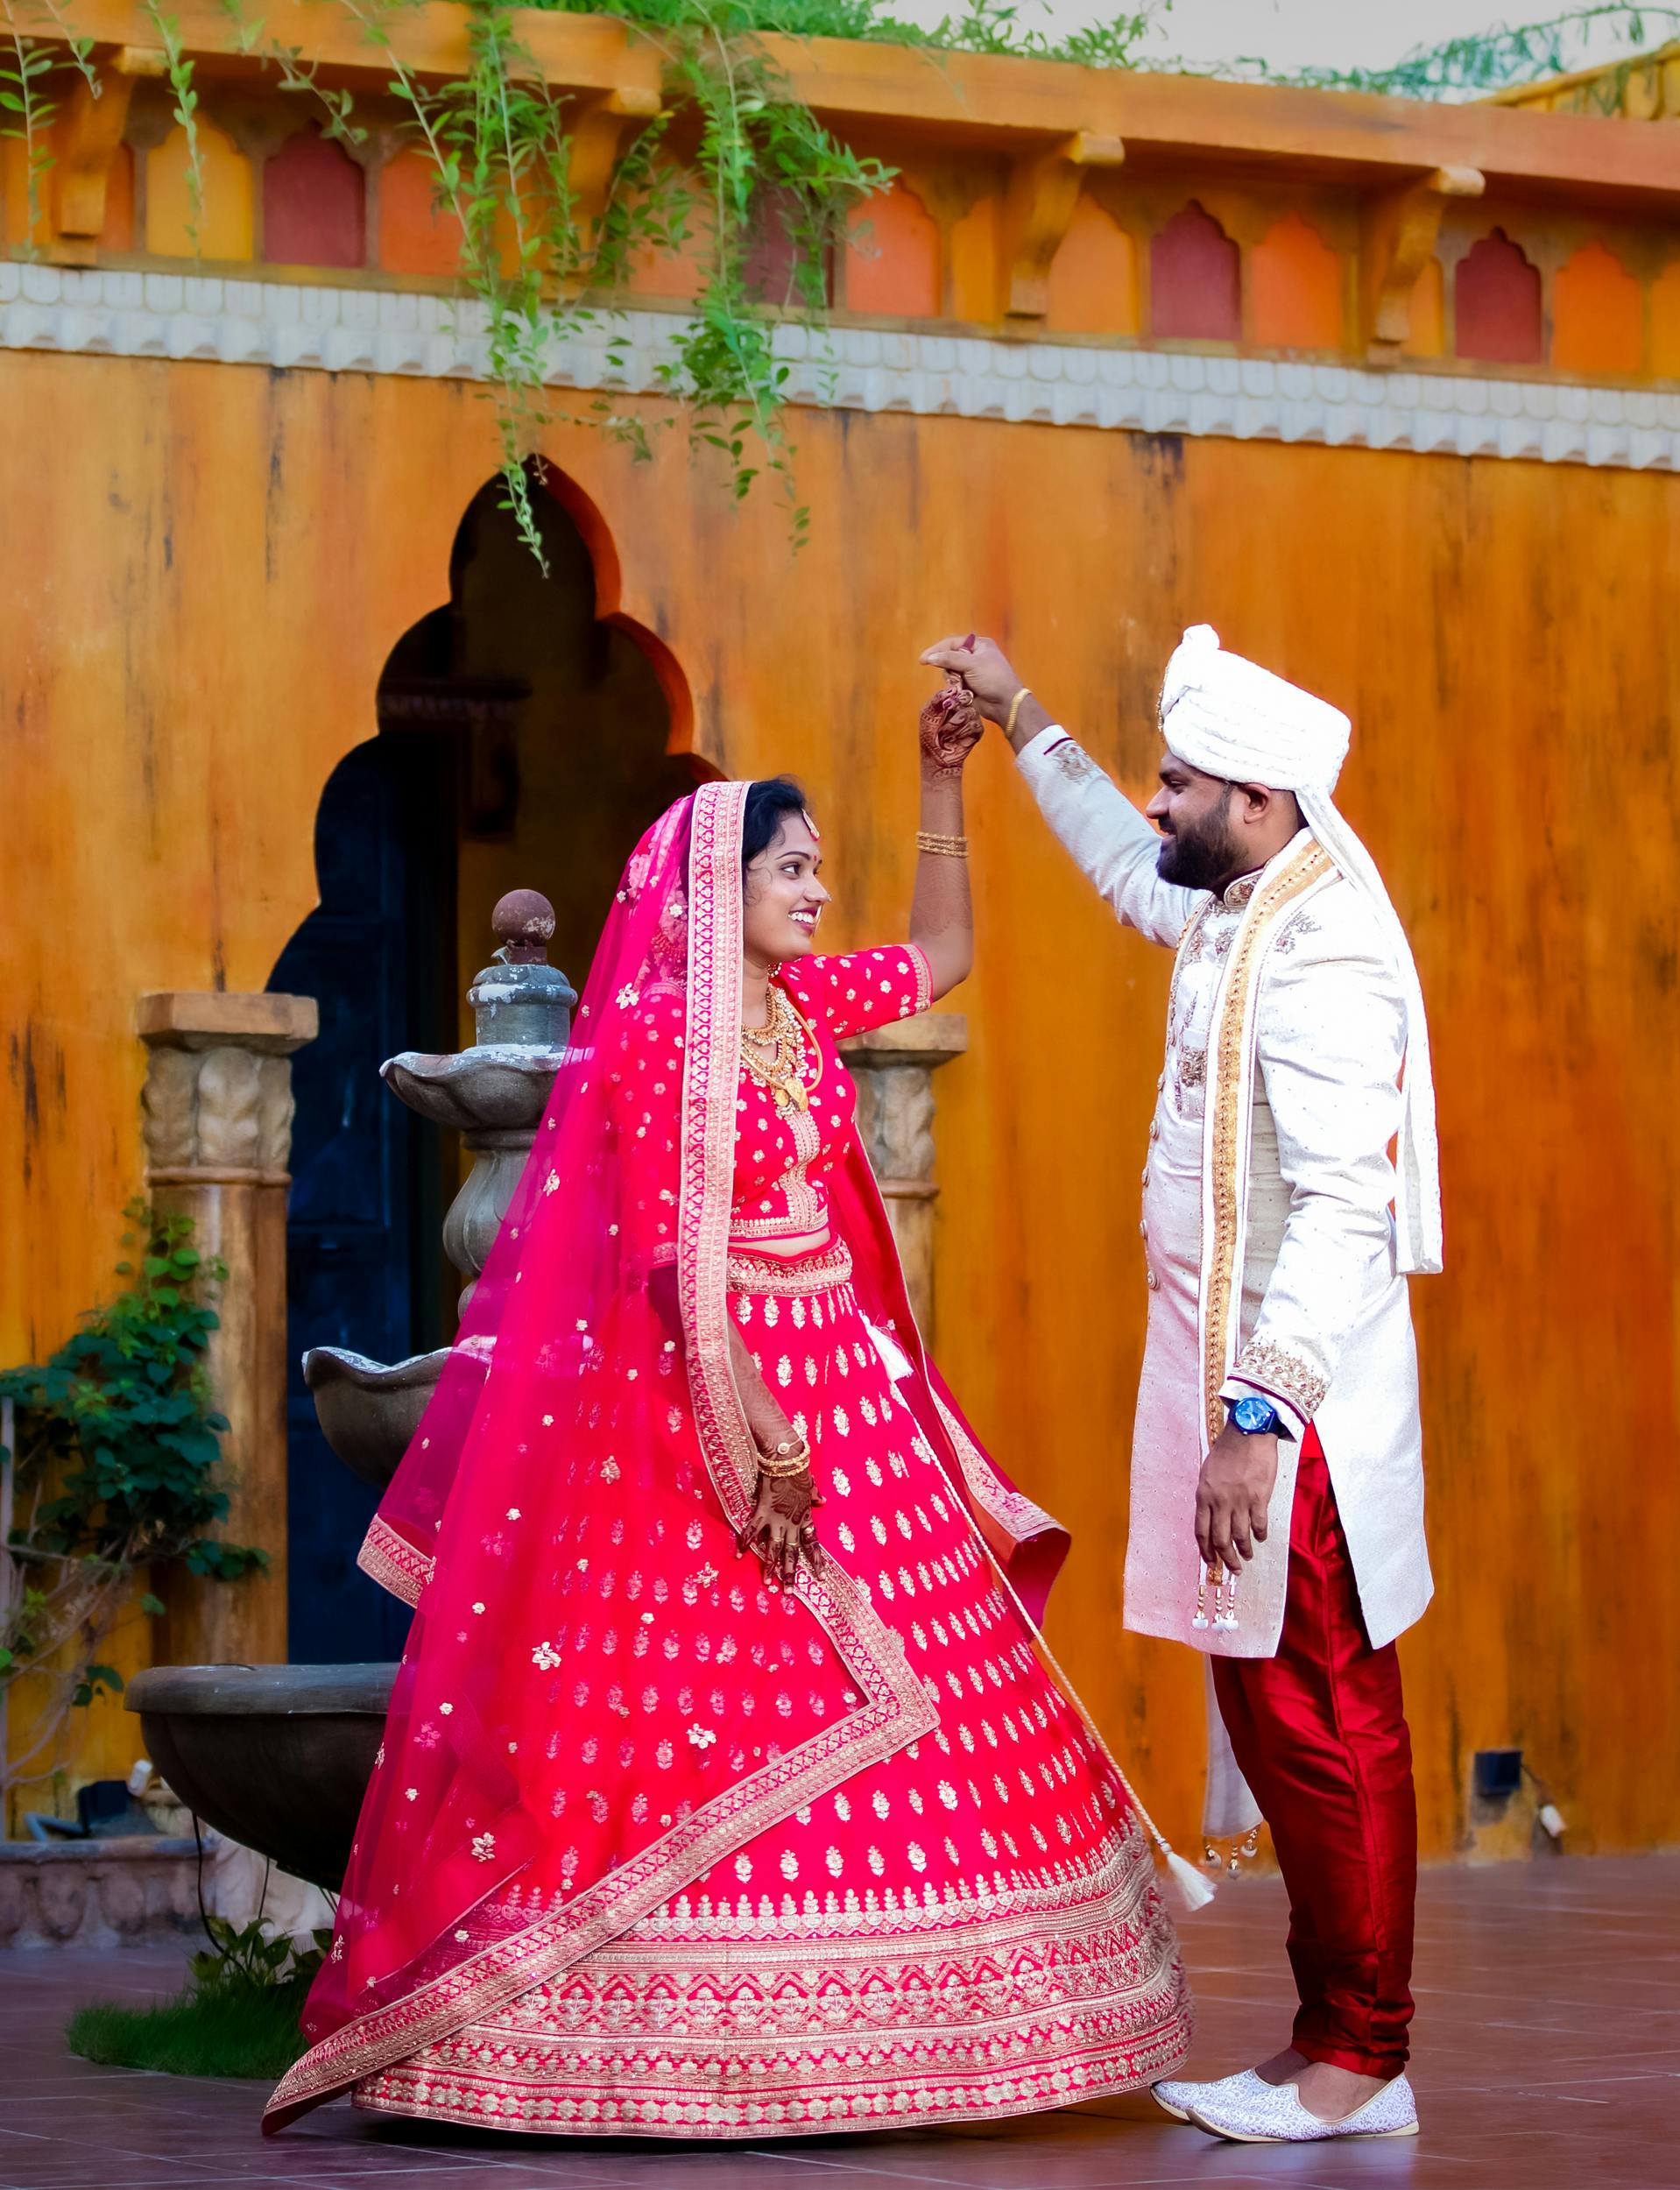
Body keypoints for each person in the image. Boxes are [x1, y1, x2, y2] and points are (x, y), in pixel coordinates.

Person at [264, 692, 1197, 2139]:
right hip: (703, 1395)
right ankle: (656, 2043)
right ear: (717, 882)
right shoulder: (654, 1029)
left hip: (847, 1384)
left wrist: (943, 775)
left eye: (822, 866)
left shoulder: (798, 1002)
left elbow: (943, 955)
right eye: (792, 869)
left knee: (938, 1693)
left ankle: (921, 2027)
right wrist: (760, 1426)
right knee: (706, 1709)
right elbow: (660, 1250)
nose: (818, 889)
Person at [921, 624, 1439, 2147]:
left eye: (1183, 783)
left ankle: (1367, 2055)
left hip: (1299, 1413)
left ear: (1265, 801)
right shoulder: (1238, 906)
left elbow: (1348, 1204)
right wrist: (1021, 718)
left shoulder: (1321, 944)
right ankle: (1333, 2038)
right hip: (1236, 1398)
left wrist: (1260, 1420)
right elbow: (1117, 867)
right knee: (1274, 1711)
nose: (1160, 805)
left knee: (1329, 1716)